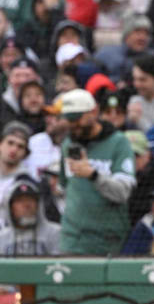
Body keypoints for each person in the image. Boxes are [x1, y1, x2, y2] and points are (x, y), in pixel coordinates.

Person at [58, 89, 137, 255]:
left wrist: (94, 176)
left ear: (93, 112)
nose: (73, 125)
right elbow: (65, 186)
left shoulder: (119, 143)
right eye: (69, 120)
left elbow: (122, 193)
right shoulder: (68, 144)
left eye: (77, 118)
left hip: (108, 239)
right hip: (73, 238)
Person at [0, 179, 61, 256]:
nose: (27, 205)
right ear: (10, 208)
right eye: (20, 201)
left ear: (38, 205)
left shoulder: (55, 233)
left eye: (31, 200)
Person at [94, 13, 154, 83]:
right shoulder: (106, 54)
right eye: (138, 32)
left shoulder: (153, 59)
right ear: (127, 35)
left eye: (146, 34)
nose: (142, 37)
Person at [126, 131, 154, 227]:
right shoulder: (110, 174)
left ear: (147, 155)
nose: (131, 159)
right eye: (126, 154)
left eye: (136, 155)